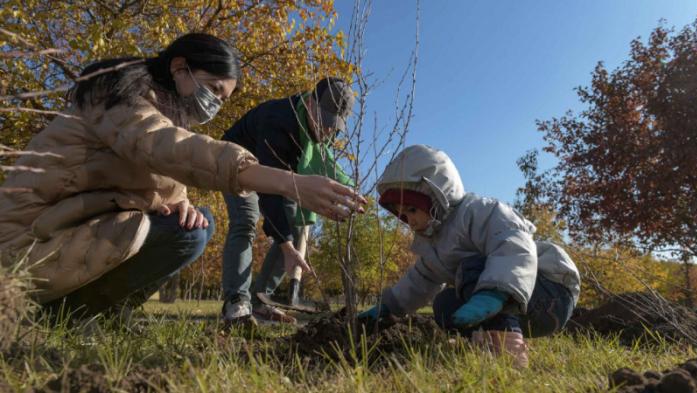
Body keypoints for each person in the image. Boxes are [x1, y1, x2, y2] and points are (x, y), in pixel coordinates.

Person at [0, 33, 364, 321]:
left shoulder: (171, 113)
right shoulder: (117, 97)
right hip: (27, 238)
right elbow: (167, 147)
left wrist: (179, 203)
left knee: (196, 225)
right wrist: (290, 188)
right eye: (213, 90)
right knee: (243, 222)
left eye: (223, 99)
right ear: (179, 68)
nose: (214, 104)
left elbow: (164, 175)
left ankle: (87, 310)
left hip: (73, 221)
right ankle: (57, 307)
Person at [358, 145, 580, 368]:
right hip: (521, 303)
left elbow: (513, 246)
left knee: (469, 269)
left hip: (550, 290)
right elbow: (420, 279)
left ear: (435, 196)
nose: (410, 220)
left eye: (413, 210)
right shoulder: (434, 243)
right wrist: (389, 306)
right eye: (403, 214)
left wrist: (494, 292)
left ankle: (509, 352)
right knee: (444, 304)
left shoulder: (478, 212)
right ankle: (486, 343)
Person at [220, 77, 355, 325]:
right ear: (311, 104)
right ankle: (236, 302)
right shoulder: (279, 121)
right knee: (245, 220)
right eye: (324, 121)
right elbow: (270, 194)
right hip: (236, 161)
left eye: (333, 126)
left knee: (294, 225)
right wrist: (286, 246)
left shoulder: (317, 132)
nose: (327, 131)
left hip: (278, 170)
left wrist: (351, 189)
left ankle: (260, 300)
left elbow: (322, 165)